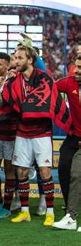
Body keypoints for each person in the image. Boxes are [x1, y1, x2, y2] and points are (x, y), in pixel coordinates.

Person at [3, 46, 71, 226]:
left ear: (30, 60)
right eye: (14, 58)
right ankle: (25, 211)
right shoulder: (14, 81)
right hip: (22, 132)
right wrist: (4, 84)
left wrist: (26, 108)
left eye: (20, 58)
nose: (16, 61)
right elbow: (7, 99)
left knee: (45, 172)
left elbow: (47, 100)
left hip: (42, 133)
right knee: (22, 172)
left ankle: (50, 212)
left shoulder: (43, 78)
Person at [0, 52, 18, 219]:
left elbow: (12, 104)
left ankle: (7, 205)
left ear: (8, 65)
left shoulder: (14, 80)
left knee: (9, 169)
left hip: (11, 133)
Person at [55, 55, 81, 209]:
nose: (76, 71)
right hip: (74, 136)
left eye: (80, 68)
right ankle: (69, 205)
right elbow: (48, 86)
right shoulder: (69, 82)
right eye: (76, 66)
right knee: (64, 167)